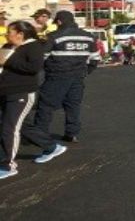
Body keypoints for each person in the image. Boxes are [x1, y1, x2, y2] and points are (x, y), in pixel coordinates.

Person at [22, 11, 99, 163]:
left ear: (59, 21)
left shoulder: (55, 36)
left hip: (56, 76)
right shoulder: (88, 36)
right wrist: (84, 72)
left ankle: (40, 135)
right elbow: (95, 59)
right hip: (77, 77)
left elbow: (42, 57)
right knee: (73, 106)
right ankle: (71, 133)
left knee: (45, 107)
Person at [0, 21, 44, 180]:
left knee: (9, 129)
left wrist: (7, 61)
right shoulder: (8, 46)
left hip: (21, 93)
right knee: (17, 127)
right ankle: (51, 146)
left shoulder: (33, 47)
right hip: (5, 92)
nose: (6, 35)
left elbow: (33, 68)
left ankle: (7, 165)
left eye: (9, 32)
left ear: (20, 34)